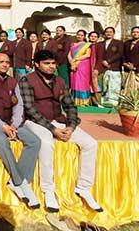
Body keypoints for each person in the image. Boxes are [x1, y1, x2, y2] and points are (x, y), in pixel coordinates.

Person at [21, 50, 102, 213]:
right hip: (34, 122)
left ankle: (84, 188)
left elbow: (70, 106)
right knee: (46, 143)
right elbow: (29, 109)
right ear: (37, 64)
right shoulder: (26, 80)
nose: (51, 66)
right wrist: (53, 130)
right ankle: (48, 191)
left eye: (53, 63)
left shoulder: (60, 81)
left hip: (58, 120)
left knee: (90, 143)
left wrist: (71, 126)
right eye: (47, 63)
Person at [0, 52, 40, 209]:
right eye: (1, 62)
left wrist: (15, 124)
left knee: (34, 141)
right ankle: (20, 182)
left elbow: (19, 105)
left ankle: (20, 181)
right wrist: (2, 125)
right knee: (1, 141)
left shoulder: (13, 81)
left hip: (11, 123)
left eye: (7, 62)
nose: (5, 64)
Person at [96, 27, 123, 107]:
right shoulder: (100, 44)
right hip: (102, 68)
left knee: (114, 85)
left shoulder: (118, 43)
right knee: (104, 85)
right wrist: (102, 62)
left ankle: (114, 101)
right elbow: (98, 55)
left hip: (114, 67)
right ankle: (104, 101)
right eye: (107, 32)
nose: (108, 33)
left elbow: (119, 54)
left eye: (110, 32)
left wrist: (108, 61)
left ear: (113, 33)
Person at [68, 30, 94, 106]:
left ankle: (83, 101)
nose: (79, 36)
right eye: (78, 35)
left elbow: (88, 55)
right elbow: (69, 55)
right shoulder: (73, 44)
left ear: (84, 36)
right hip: (73, 65)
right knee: (74, 81)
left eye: (81, 35)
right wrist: (72, 63)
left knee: (82, 82)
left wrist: (75, 59)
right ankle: (75, 100)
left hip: (83, 65)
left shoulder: (87, 45)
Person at [88, 31, 102, 106]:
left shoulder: (99, 46)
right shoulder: (86, 45)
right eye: (92, 36)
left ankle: (98, 102)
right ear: (89, 37)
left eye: (95, 37)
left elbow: (100, 58)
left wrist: (97, 68)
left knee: (96, 85)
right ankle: (89, 102)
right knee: (87, 85)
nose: (93, 38)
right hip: (86, 68)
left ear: (97, 38)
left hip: (94, 68)